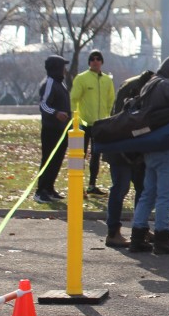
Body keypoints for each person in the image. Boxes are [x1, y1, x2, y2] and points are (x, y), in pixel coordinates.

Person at [129, 57, 169, 255]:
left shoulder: (149, 85)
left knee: (147, 194)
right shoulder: (167, 85)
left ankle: (137, 237)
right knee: (165, 196)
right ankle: (162, 238)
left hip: (150, 147)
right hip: (167, 147)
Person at [103, 69, 154, 248]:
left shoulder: (139, 86)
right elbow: (122, 120)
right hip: (121, 148)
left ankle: (140, 227)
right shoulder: (133, 90)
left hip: (134, 149)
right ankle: (113, 232)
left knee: (142, 189)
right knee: (120, 188)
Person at [69, 49, 115, 196]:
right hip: (83, 124)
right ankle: (78, 186)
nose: (95, 61)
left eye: (98, 59)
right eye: (92, 59)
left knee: (96, 155)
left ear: (102, 62)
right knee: (79, 156)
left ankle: (92, 186)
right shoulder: (81, 78)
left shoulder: (107, 80)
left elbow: (110, 100)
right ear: (89, 62)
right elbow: (74, 98)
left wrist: (107, 117)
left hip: (99, 125)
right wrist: (75, 118)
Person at [35, 55, 71, 204]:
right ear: (57, 67)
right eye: (63, 67)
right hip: (51, 129)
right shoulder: (49, 83)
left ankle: (49, 188)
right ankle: (40, 191)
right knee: (48, 159)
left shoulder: (60, 83)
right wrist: (56, 113)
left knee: (57, 160)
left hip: (62, 129)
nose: (65, 70)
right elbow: (43, 105)